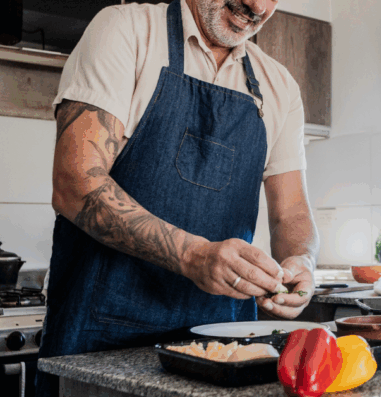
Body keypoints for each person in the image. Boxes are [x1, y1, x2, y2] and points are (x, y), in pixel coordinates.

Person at [36, 0, 319, 395]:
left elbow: (291, 213)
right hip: (101, 343)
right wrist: (193, 255)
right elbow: (75, 183)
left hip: (224, 354)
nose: (257, 5)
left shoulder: (280, 85)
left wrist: (301, 260)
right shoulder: (126, 30)